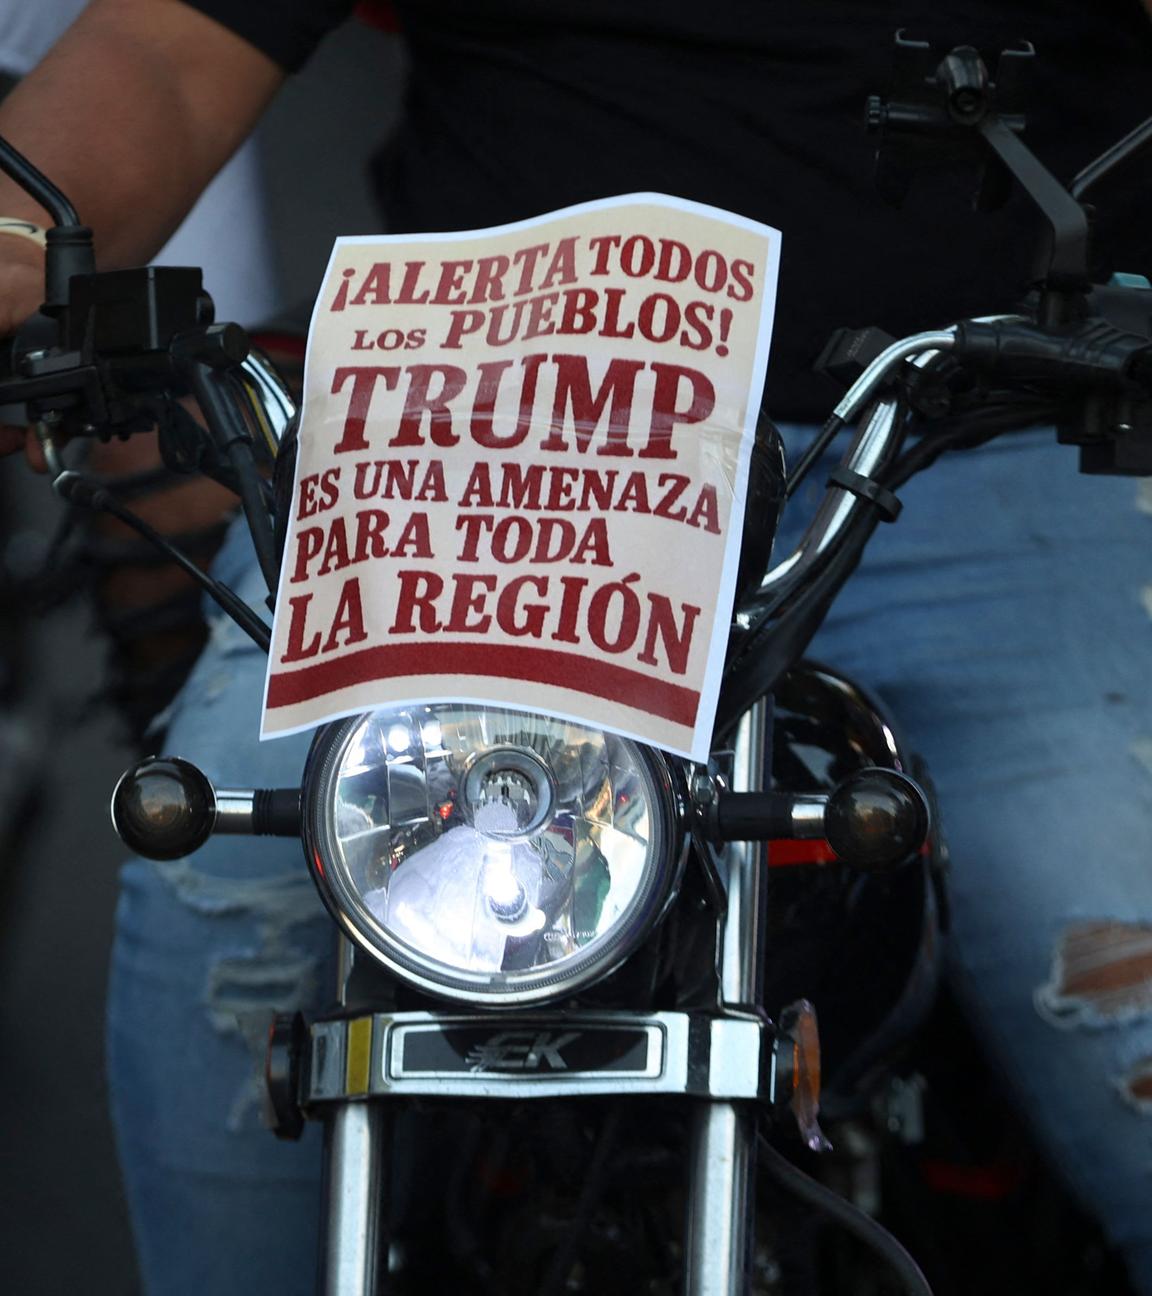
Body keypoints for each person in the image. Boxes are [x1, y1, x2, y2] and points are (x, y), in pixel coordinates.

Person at [1, 2, 1151, 1292]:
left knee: (1116, 942)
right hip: (485, 445)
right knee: (235, 886)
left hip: (1008, 429)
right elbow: (166, 53)